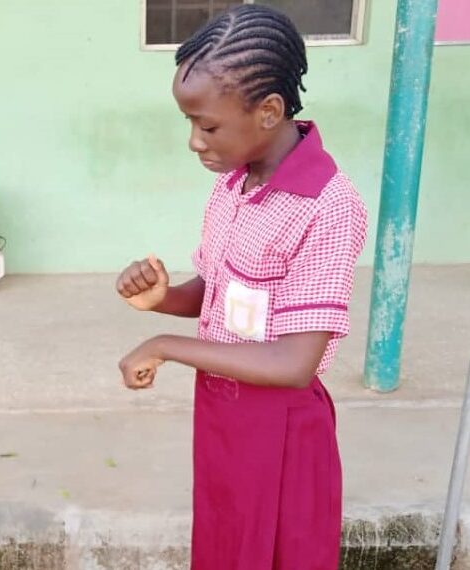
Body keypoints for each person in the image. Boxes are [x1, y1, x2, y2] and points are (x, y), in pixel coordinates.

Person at [116, 6, 367, 568]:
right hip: (222, 412)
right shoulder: (235, 183)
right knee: (226, 547)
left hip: (280, 427)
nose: (193, 142)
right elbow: (220, 293)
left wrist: (163, 346)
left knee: (276, 553)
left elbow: (295, 363)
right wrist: (162, 297)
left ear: (269, 111)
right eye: (189, 123)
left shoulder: (327, 206)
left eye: (207, 126)